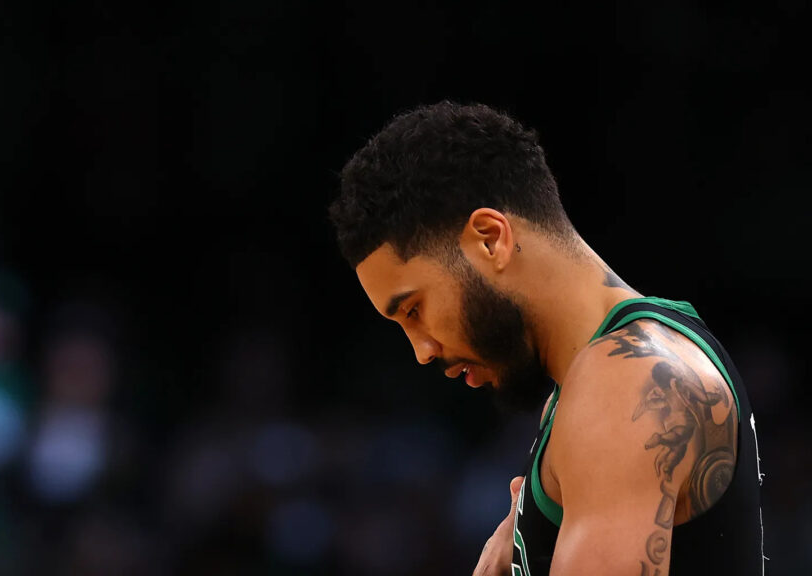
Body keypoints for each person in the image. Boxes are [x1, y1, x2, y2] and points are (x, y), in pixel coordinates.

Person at [327, 101, 764, 575]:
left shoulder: (626, 384)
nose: (422, 350)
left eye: (415, 310)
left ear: (490, 239)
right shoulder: (601, 378)